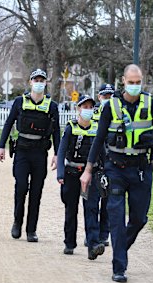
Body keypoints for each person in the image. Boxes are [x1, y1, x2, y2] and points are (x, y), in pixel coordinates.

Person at [80, 64, 153, 283]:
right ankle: (119, 268)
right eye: (131, 82)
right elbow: (98, 140)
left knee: (139, 218)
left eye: (138, 82)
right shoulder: (110, 107)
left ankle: (120, 249)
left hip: (141, 169)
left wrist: (152, 164)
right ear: (123, 81)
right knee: (116, 219)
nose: (134, 86)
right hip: (115, 168)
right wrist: (88, 171)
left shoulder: (151, 104)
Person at [0, 68, 60, 242]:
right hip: (22, 151)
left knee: (36, 192)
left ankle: (31, 230)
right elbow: (9, 123)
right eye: (36, 80)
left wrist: (57, 154)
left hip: (40, 152)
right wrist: (1, 146)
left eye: (42, 80)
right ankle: (17, 222)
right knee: (22, 187)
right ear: (30, 82)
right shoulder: (19, 102)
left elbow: (56, 131)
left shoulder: (52, 106)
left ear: (46, 83)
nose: (39, 83)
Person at [56, 95, 106, 260]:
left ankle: (93, 245)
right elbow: (62, 150)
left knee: (91, 208)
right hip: (71, 173)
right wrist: (60, 173)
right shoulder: (71, 127)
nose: (88, 110)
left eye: (90, 107)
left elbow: (102, 151)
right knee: (71, 208)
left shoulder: (97, 128)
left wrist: (106, 171)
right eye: (84, 107)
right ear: (78, 109)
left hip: (90, 174)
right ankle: (69, 243)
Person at [93, 83, 115, 246]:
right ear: (99, 97)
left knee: (107, 200)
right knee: (92, 202)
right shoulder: (92, 115)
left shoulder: (118, 114)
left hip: (111, 161)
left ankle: (103, 234)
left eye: (110, 96)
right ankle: (91, 233)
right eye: (104, 96)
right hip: (94, 162)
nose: (107, 99)